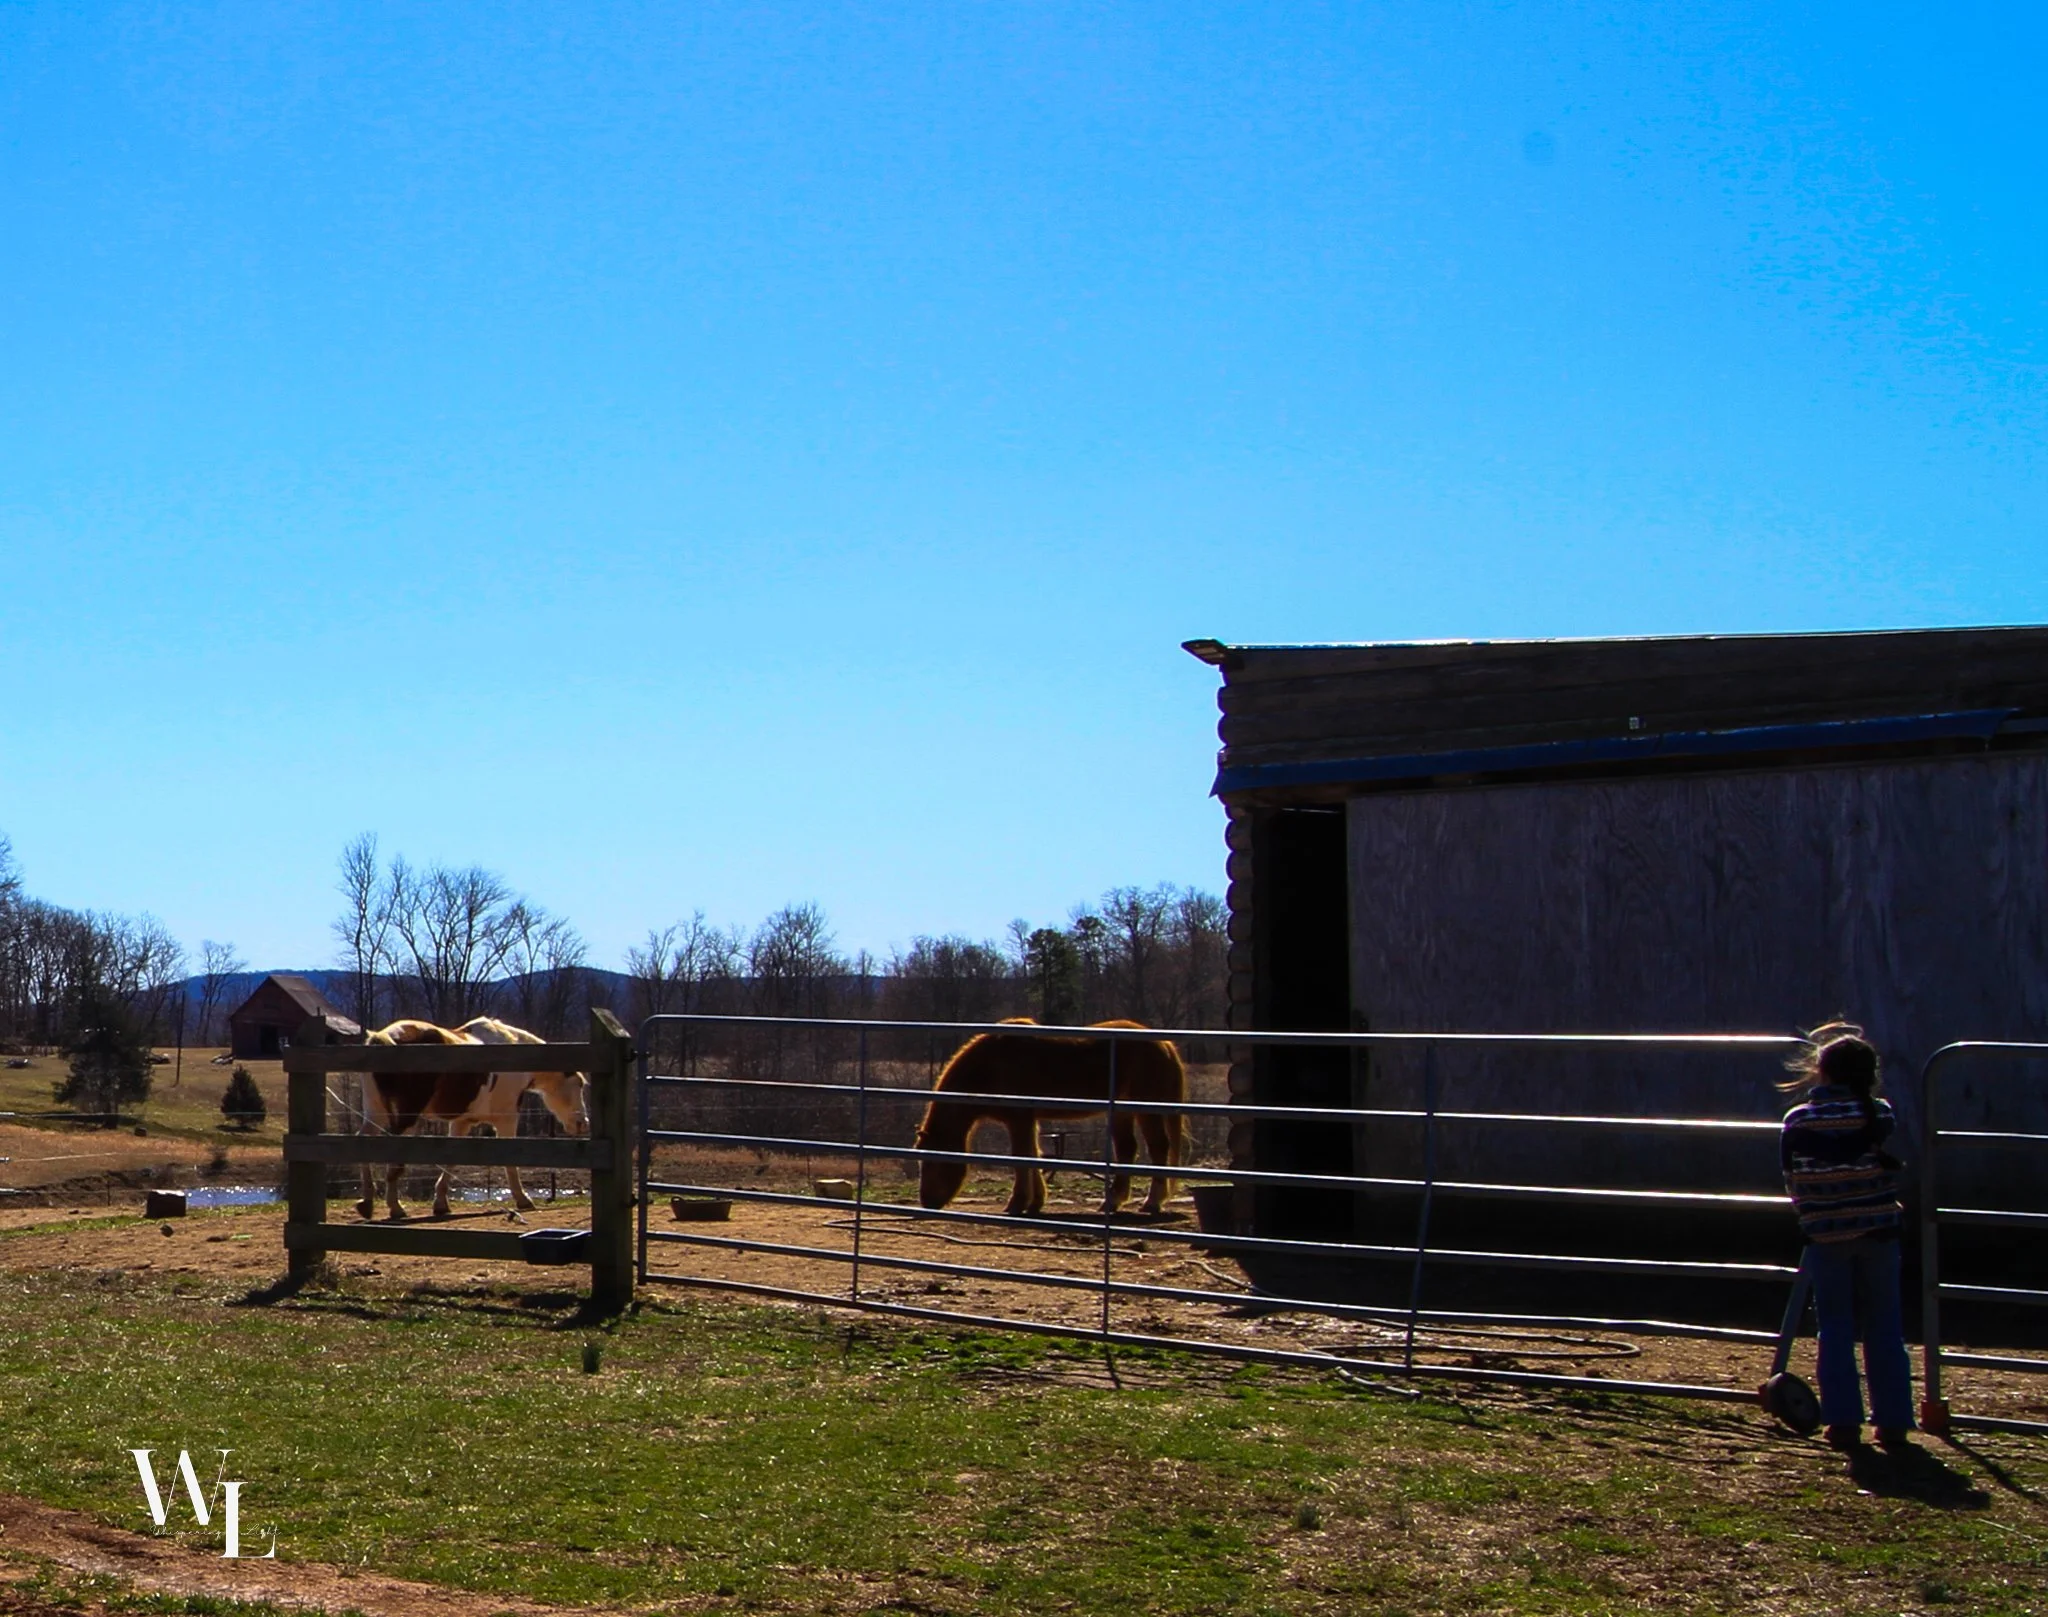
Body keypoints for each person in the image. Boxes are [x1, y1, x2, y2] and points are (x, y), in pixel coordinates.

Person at [1779, 1022, 1914, 1448]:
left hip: (1825, 1236)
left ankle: (1842, 1420)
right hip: (1878, 1231)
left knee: (1834, 1325)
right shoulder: (1880, 1113)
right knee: (1885, 1324)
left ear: (1821, 1071)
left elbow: (1792, 1178)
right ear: (1870, 1074)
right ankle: (1893, 1419)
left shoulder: (1799, 1119)